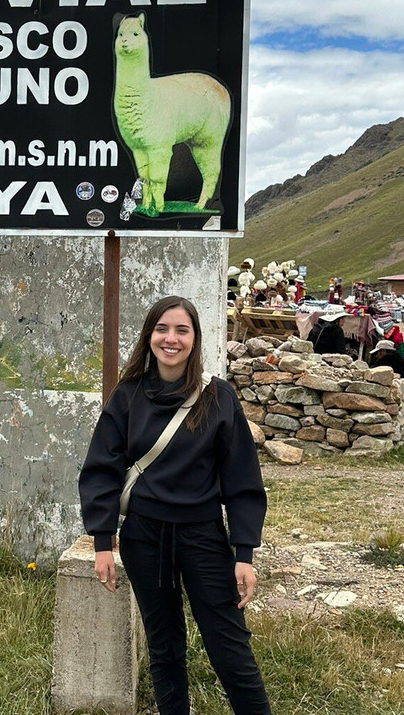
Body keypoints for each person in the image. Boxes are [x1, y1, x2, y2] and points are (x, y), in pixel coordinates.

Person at [79, 297, 272, 715]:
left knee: (229, 650)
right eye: (163, 329)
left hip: (202, 538)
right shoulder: (127, 397)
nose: (171, 339)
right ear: (150, 336)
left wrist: (244, 554)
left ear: (195, 339)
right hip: (143, 538)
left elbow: (242, 479)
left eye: (182, 330)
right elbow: (101, 470)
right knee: (164, 648)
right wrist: (101, 542)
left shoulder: (217, 398)